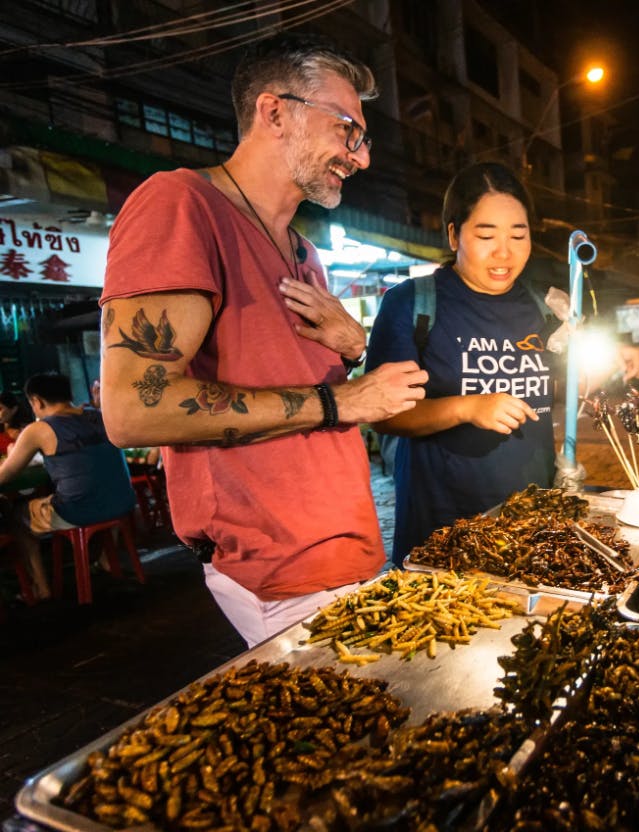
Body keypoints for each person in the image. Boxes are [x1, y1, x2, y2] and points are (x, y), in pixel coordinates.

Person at [99, 34, 428, 647]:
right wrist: (339, 400)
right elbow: (133, 408)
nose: (359, 158)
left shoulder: (305, 253)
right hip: (277, 571)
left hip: (347, 553)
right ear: (274, 112)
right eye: (347, 130)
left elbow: (312, 383)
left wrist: (355, 348)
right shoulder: (180, 204)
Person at [365, 162, 639, 565]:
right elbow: (384, 416)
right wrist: (468, 407)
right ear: (453, 234)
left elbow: (563, 391)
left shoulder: (545, 307)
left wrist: (606, 365)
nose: (504, 252)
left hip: (531, 523)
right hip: (442, 528)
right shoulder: (412, 303)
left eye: (518, 235)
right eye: (486, 235)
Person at [0, 373, 136, 601]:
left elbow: (6, 474)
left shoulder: (39, 429)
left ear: (37, 401)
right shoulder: (99, 416)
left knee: (16, 516)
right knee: (97, 488)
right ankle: (105, 561)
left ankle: (41, 588)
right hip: (123, 502)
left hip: (79, 511)